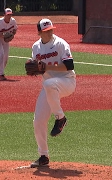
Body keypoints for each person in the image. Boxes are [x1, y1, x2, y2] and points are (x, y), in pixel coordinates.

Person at [29, 18, 76, 168]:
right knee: (38, 121)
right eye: (46, 31)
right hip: (50, 88)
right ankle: (43, 156)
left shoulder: (60, 44)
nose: (49, 32)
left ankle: (60, 118)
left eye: (50, 30)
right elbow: (38, 67)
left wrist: (47, 67)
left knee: (49, 83)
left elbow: (69, 65)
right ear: (39, 33)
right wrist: (35, 70)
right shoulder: (36, 47)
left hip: (67, 82)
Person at [0, 8, 18, 81]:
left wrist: (12, 35)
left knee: (6, 58)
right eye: (7, 15)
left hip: (5, 40)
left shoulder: (13, 21)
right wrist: (5, 34)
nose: (9, 16)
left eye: (10, 15)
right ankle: (1, 75)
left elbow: (15, 29)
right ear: (4, 15)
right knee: (1, 55)